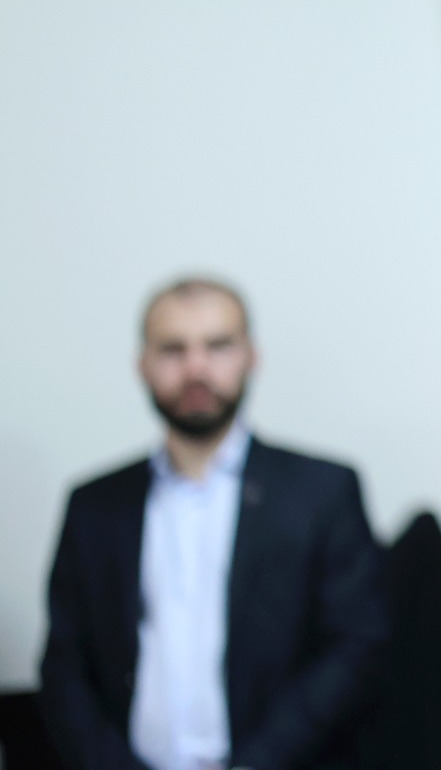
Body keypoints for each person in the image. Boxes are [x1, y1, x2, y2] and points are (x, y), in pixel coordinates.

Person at [39, 277, 387, 770]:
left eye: (218, 346)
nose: (196, 368)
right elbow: (64, 666)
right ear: (143, 365)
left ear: (250, 357)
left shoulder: (320, 493)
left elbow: (356, 647)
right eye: (173, 349)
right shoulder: (95, 507)